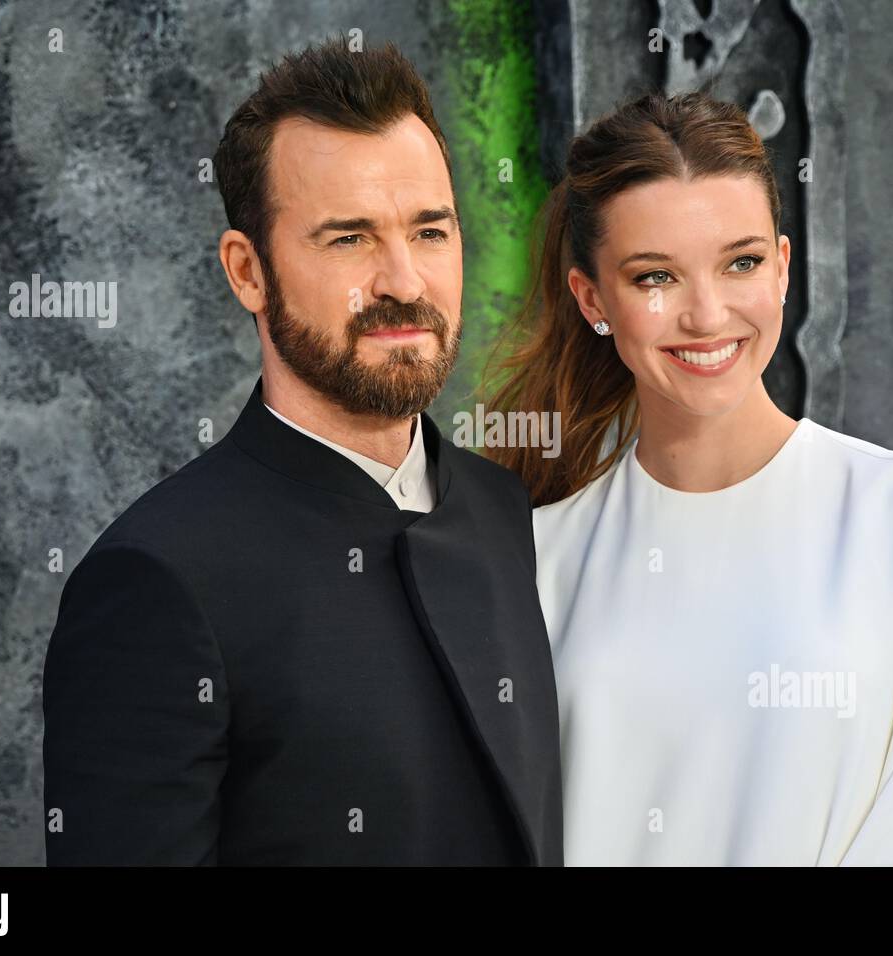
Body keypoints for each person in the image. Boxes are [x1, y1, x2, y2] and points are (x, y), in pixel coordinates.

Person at [483, 90, 893, 866]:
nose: (707, 314)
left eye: (741, 262)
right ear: (594, 298)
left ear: (784, 267)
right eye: (656, 277)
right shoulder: (533, 561)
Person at [42, 37, 562, 865]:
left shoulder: (505, 512)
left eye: (429, 231)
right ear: (247, 272)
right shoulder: (155, 579)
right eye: (349, 238)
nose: (403, 282)